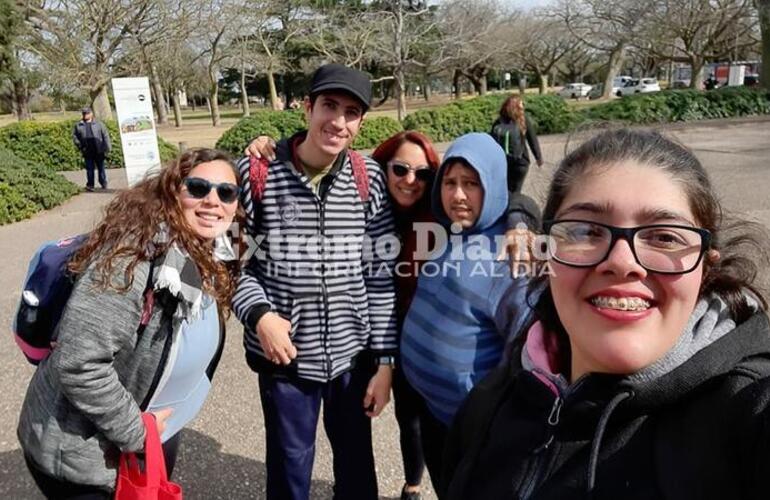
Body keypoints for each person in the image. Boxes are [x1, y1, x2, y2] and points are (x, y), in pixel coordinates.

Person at [441, 129, 770, 500]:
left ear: (705, 268)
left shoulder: (743, 413)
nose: (622, 262)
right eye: (585, 231)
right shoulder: (487, 409)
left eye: (664, 237)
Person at [247, 129, 541, 499]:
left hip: (436, 379)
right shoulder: (364, 198)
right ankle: (414, 482)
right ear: (381, 169)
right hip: (388, 345)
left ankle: (412, 486)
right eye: (400, 169)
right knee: (411, 430)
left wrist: (520, 220)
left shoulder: (441, 219)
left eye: (423, 174)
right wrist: (273, 144)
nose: (410, 180)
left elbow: (513, 199)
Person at [17, 148, 242, 499]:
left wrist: (266, 157)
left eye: (226, 192)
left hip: (151, 430)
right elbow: (80, 365)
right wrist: (139, 433)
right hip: (88, 457)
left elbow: (264, 240)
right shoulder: (130, 260)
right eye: (198, 187)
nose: (213, 201)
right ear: (171, 192)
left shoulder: (205, 249)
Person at [231, 63, 397, 500]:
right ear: (307, 107)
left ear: (361, 123)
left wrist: (384, 362)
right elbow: (231, 265)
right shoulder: (256, 174)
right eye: (329, 106)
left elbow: (379, 276)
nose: (338, 122)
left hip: (352, 357)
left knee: (358, 467)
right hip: (284, 359)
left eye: (352, 112)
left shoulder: (369, 178)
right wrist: (260, 316)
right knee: (289, 468)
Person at [400, 132, 535, 486]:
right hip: (432, 413)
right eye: (450, 182)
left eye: (471, 183)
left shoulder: (512, 255)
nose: (458, 194)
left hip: (470, 428)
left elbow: (527, 357)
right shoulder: (451, 231)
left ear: (491, 184)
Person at [490, 94, 544, 194]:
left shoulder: (500, 122)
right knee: (511, 192)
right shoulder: (519, 120)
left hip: (516, 163)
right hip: (512, 162)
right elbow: (533, 139)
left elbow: (532, 139)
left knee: (510, 191)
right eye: (520, 105)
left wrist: (538, 156)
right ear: (514, 107)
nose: (522, 107)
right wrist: (539, 158)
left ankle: (512, 207)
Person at [72, 106, 112, 191]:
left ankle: (103, 182)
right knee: (89, 170)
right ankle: (90, 185)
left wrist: (108, 148)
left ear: (91, 113)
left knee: (101, 168)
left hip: (99, 150)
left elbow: (105, 135)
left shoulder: (99, 123)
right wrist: (79, 145)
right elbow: (75, 136)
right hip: (87, 151)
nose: (85, 115)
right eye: (83, 113)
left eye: (86, 113)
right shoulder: (78, 125)